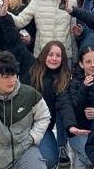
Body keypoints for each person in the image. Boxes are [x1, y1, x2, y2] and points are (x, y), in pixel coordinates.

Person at [10, 0, 75, 62]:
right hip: (42, 55)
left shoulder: (72, 2)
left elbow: (73, 33)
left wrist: (75, 59)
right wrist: (1, 9)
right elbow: (20, 21)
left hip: (64, 55)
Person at [57, 45, 94, 169]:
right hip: (80, 131)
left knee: (82, 161)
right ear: (81, 64)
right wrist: (84, 88)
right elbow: (74, 108)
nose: (93, 65)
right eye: (88, 61)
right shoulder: (74, 82)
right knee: (90, 156)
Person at [30, 41, 71, 169]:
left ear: (63, 58)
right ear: (43, 55)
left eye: (58, 55)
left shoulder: (64, 78)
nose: (54, 58)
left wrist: (71, 125)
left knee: (50, 159)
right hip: (23, 125)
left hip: (44, 128)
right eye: (50, 54)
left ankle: (61, 147)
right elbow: (15, 43)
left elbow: (64, 105)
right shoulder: (31, 69)